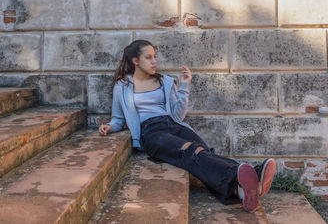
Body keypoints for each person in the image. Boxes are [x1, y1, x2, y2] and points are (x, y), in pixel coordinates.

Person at [98, 39, 276, 212]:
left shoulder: (165, 82)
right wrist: (110, 127)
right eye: (148, 57)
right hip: (151, 131)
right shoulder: (123, 86)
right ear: (135, 61)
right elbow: (118, 118)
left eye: (155, 56)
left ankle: (240, 191)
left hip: (173, 124)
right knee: (190, 150)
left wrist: (184, 86)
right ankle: (249, 174)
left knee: (202, 151)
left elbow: (177, 115)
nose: (154, 61)